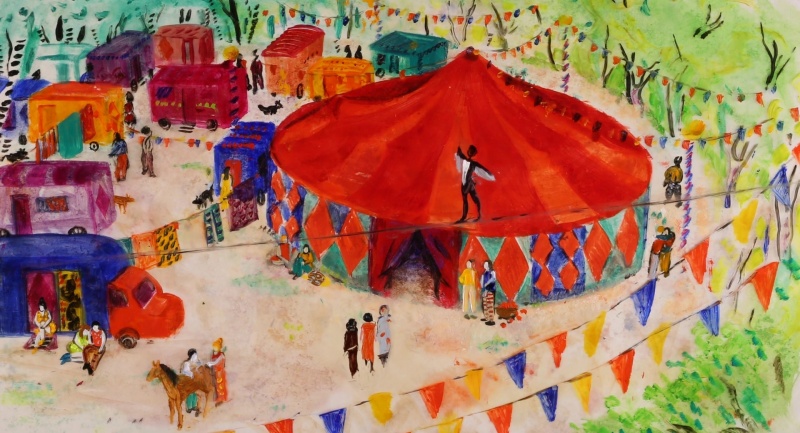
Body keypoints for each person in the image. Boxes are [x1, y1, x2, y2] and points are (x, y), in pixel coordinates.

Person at [455, 145, 495, 223]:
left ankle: (468, 216)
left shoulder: (473, 163)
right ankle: (472, 216)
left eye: (471, 151)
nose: (469, 152)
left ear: (472, 153)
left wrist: (489, 173)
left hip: (467, 184)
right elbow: (460, 154)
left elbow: (482, 168)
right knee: (472, 199)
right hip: (467, 183)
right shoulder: (467, 160)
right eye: (469, 150)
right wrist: (459, 150)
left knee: (469, 199)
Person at [181, 348, 204, 416]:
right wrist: (192, 373)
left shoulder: (196, 362)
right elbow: (185, 371)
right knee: (190, 393)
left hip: (194, 381)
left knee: (195, 394)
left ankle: (194, 406)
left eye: (196, 354)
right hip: (188, 380)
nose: (196, 356)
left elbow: (201, 365)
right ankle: (189, 407)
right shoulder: (186, 363)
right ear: (191, 355)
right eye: (194, 355)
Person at [206, 338, 227, 407]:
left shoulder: (221, 355)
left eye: (215, 347)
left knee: (220, 386)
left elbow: (215, 362)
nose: (214, 348)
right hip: (215, 372)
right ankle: (218, 398)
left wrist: (209, 363)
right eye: (214, 347)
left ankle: (221, 399)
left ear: (218, 348)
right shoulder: (214, 354)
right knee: (215, 385)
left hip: (219, 372)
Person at [480, 261, 497, 326]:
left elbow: (493, 279)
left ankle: (491, 320)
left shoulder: (492, 272)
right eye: (484, 264)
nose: (484, 265)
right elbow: (482, 284)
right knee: (485, 304)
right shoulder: (484, 273)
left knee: (490, 305)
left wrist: (487, 283)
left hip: (490, 290)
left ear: (489, 265)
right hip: (485, 290)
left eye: (486, 264)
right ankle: (486, 317)